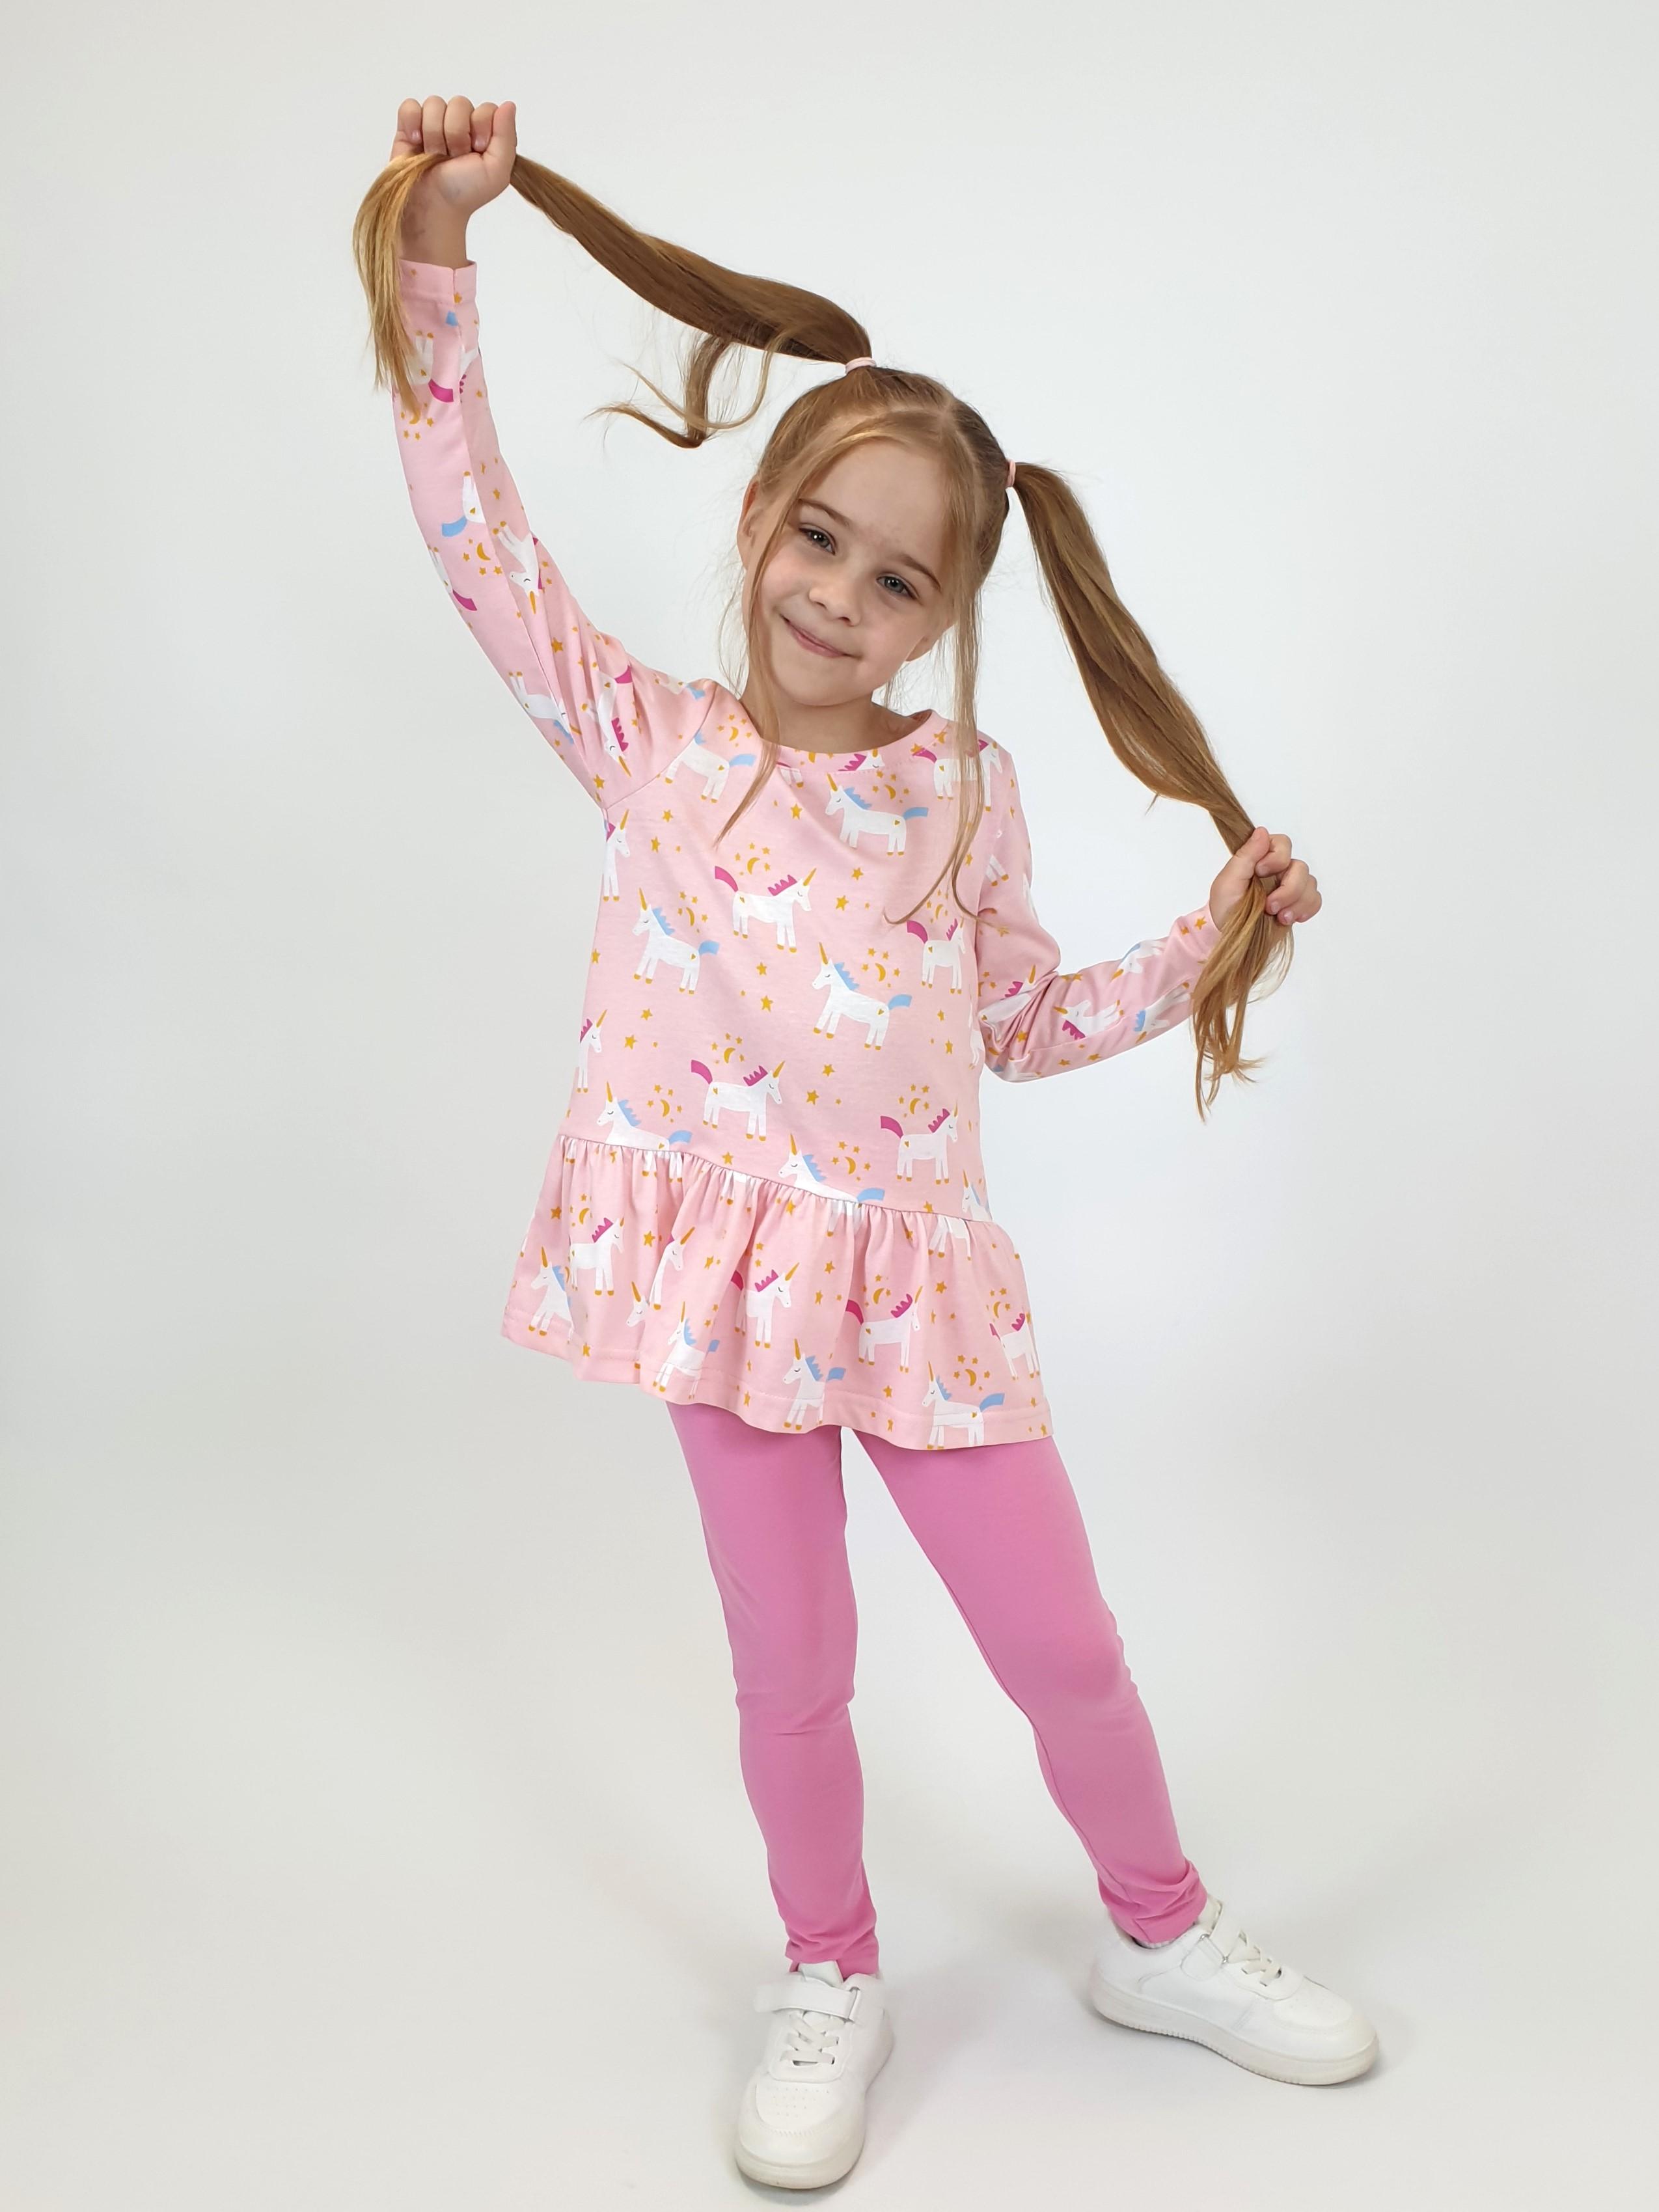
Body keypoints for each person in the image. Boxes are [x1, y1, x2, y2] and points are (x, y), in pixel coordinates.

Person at [354, 92, 1375, 2191]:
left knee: (1064, 1646)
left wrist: (1213, 937)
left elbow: (1022, 1021)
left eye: (897, 578)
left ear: (940, 619)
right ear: (760, 520)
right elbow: (474, 527)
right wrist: (446, 246)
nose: (841, 594)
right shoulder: (648, 740)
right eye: (820, 539)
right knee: (792, 1671)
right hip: (723, 1294)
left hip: (919, 1298)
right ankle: (829, 1971)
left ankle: (1163, 1933)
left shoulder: (962, 795)